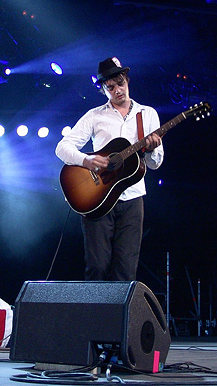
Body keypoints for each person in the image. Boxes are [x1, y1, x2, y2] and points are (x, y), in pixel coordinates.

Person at [55, 57, 164, 281]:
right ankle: (93, 316)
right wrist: (87, 160)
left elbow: (154, 164)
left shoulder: (148, 114)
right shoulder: (95, 116)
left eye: (120, 83)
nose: (117, 90)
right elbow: (62, 147)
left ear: (127, 81)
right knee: (97, 267)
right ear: (104, 89)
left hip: (133, 200)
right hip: (98, 198)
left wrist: (153, 149)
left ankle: (118, 317)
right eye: (110, 87)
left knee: (126, 270)